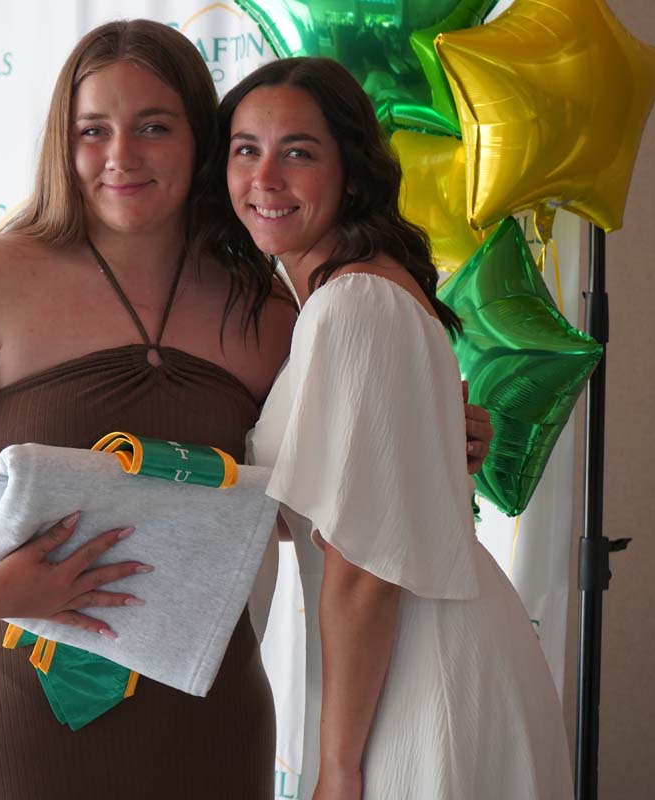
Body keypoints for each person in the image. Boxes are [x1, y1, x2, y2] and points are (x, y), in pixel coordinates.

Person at [0, 20, 492, 799]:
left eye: (153, 127)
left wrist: (419, 440)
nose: (121, 156)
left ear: (202, 141)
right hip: (14, 718)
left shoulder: (270, 313)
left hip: (208, 720)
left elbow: (314, 504)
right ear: (64, 142)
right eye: (94, 130)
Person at [212, 58, 573, 800]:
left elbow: (365, 572)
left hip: (418, 676)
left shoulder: (353, 308)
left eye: (299, 151)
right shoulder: (343, 295)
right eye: (246, 148)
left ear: (352, 170)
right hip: (408, 667)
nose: (265, 177)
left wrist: (338, 768)